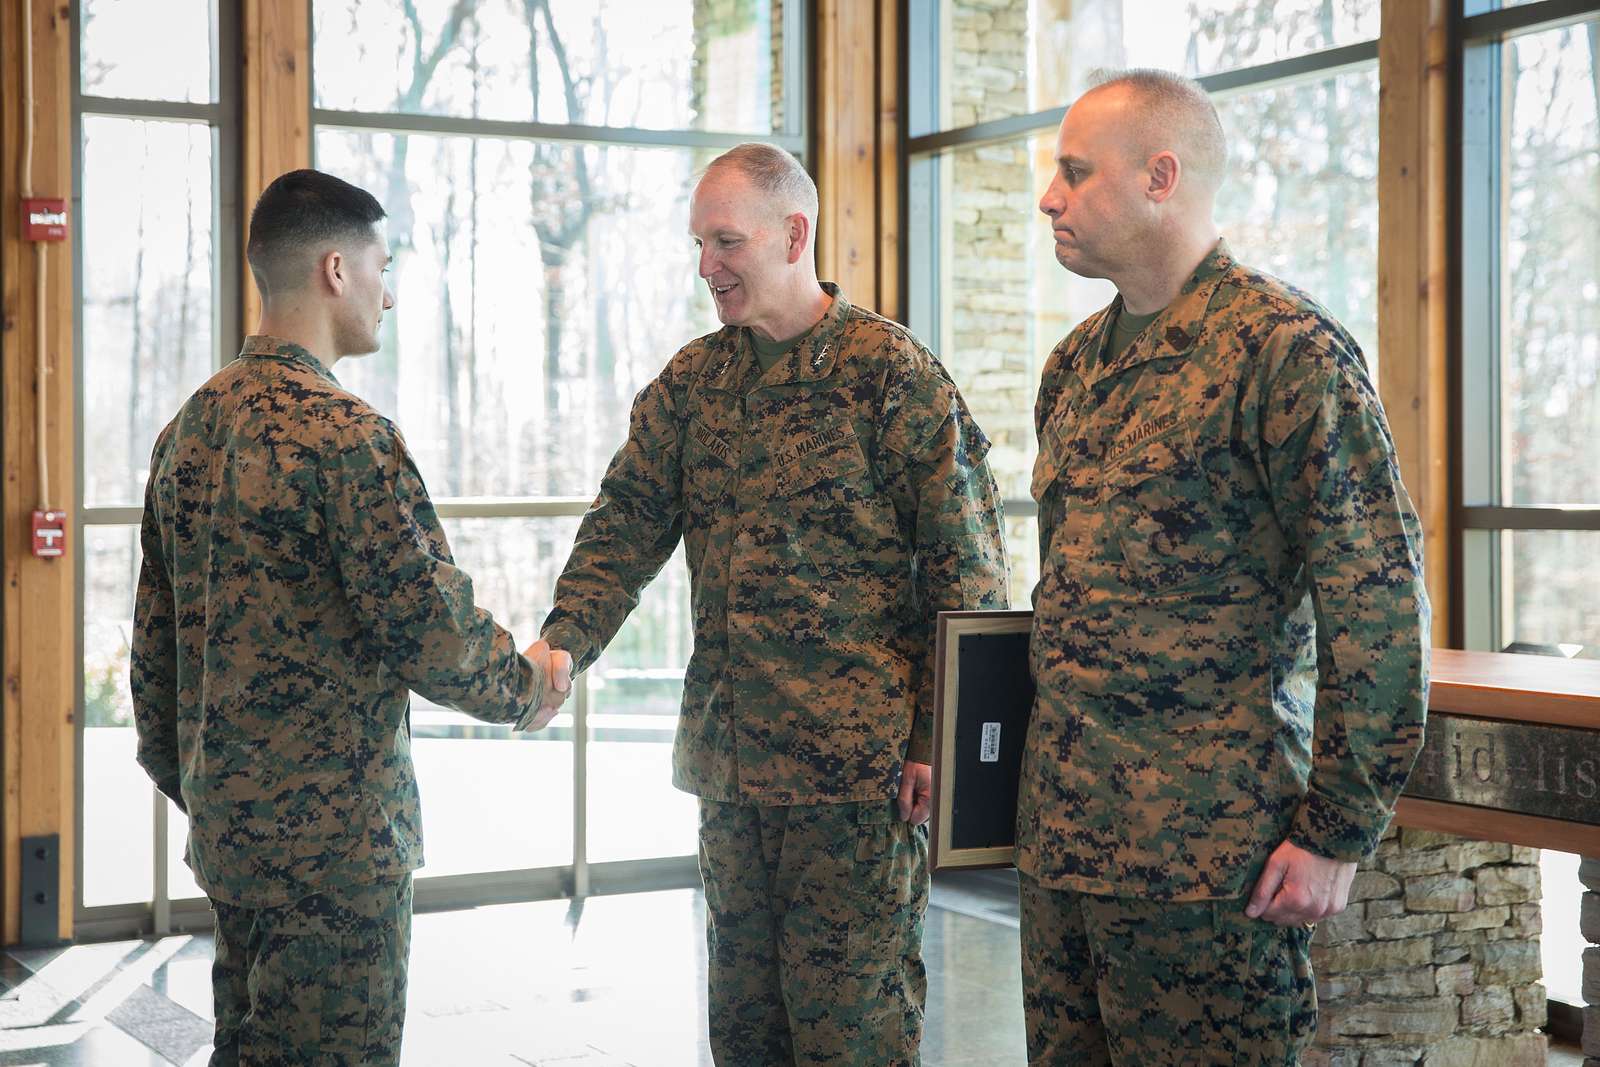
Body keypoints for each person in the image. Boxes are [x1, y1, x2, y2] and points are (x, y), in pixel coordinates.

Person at [533, 142, 1009, 1065]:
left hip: (857, 782)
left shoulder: (894, 378)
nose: (706, 268)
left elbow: (967, 573)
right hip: (732, 769)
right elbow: (625, 524)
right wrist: (565, 642)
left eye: (724, 243)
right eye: (698, 245)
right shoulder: (693, 383)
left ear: (795, 234)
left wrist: (935, 742)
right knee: (747, 1032)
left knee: (850, 1034)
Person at [1017, 70, 1430, 1065]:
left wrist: (1337, 829)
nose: (1049, 197)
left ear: (1160, 176)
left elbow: (1373, 605)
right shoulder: (1075, 367)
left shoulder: (1284, 355)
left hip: (1208, 862)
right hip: (1064, 849)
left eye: (1076, 173)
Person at [130, 168, 572, 1067]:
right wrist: (527, 685)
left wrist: (210, 792)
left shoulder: (188, 432)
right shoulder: (346, 436)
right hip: (337, 855)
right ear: (337, 269)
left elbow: (152, 657)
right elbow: (428, 624)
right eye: (383, 264)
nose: (390, 290)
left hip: (233, 838)